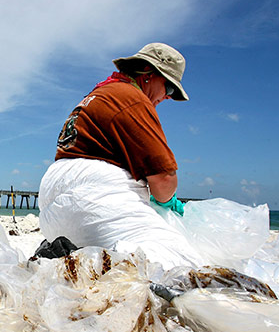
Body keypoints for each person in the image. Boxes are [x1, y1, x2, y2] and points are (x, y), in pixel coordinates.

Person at [38, 42, 204, 269]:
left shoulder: (99, 94)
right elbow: (164, 180)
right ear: (149, 74)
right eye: (170, 88)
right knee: (184, 265)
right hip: (93, 199)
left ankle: (66, 251)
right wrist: (166, 200)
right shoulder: (132, 98)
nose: (167, 97)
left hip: (53, 209)